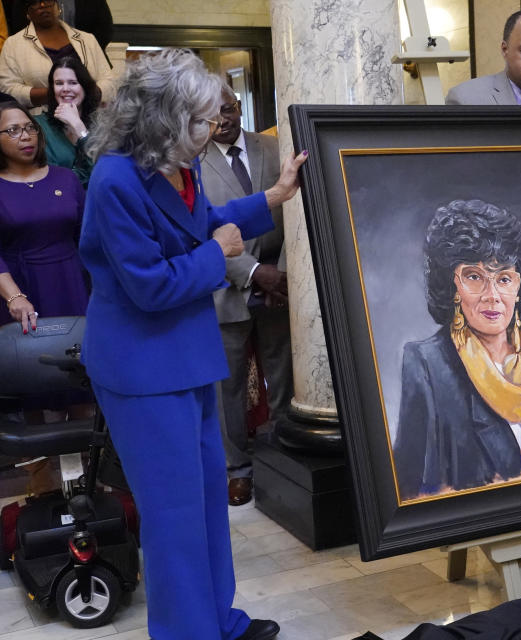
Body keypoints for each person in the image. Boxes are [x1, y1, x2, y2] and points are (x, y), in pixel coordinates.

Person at [79, 48, 306, 640]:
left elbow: (205, 219)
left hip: (184, 353)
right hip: (141, 366)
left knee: (205, 505)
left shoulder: (175, 166)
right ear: (162, 119)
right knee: (173, 518)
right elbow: (150, 285)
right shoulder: (115, 179)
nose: (212, 130)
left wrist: (273, 197)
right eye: (201, 120)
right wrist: (220, 254)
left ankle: (218, 621)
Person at [393, 199, 521, 500]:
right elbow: (409, 484)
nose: (492, 296)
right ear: (452, 286)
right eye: (474, 276)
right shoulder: (427, 363)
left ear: (518, 286)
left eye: (504, 278)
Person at [202, 86, 292, 508]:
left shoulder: (272, 147)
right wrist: (256, 273)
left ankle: (283, 457)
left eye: (229, 109)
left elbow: (300, 211)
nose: (223, 120)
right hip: (227, 289)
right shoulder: (190, 162)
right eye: (213, 114)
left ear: (239, 107)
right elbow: (200, 231)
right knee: (229, 387)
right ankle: (237, 470)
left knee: (285, 374)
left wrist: (285, 273)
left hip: (283, 287)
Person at [0, 100, 87, 493]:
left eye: (29, 128)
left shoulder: (67, 179)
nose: (24, 136)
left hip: (73, 286)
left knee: (81, 387)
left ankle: (87, 486)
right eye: (13, 130)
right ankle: (46, 493)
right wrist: (14, 296)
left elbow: (89, 236)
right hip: (23, 295)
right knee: (36, 395)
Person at [0, 0, 115, 109]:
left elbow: (109, 81)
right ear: (27, 12)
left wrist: (87, 93)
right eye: (35, 2)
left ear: (58, 6)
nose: (43, 5)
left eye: (48, 0)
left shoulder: (87, 39)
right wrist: (54, 94)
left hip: (90, 118)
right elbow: (8, 89)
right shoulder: (13, 44)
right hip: (41, 121)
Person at [35, 56, 97, 185]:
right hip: (55, 199)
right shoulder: (37, 126)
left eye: (73, 83)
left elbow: (103, 169)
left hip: (95, 200)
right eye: (59, 83)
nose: (65, 89)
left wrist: (78, 126)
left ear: (85, 87)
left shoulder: (105, 124)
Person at [7, 0, 112, 51]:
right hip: (36, 62)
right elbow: (18, 28)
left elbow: (104, 31)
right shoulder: (24, 2)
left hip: (86, 60)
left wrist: (82, 54)